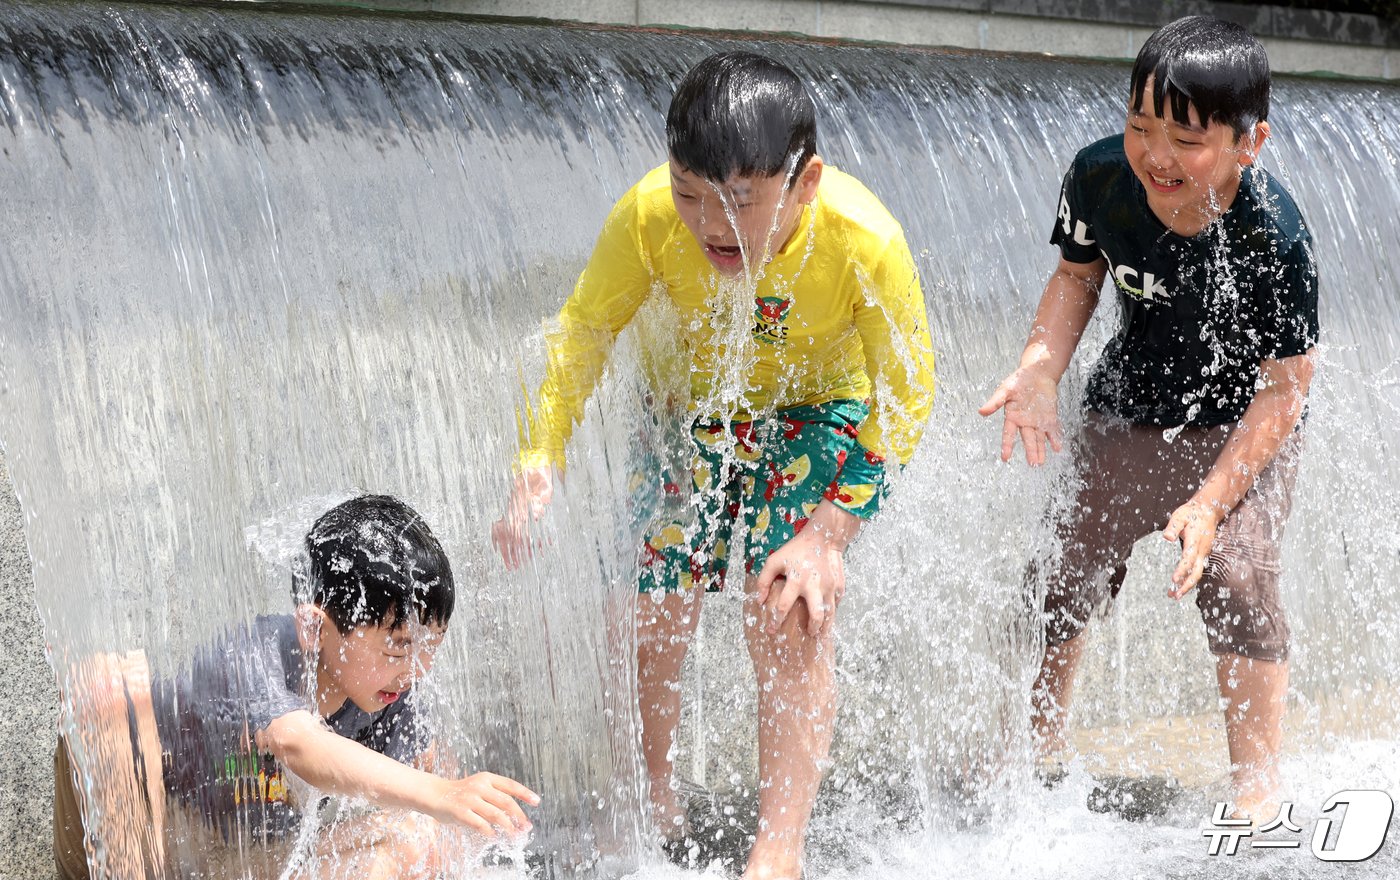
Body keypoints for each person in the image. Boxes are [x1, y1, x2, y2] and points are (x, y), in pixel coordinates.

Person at [493, 51, 935, 880]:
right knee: (649, 603)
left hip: (817, 410)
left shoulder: (863, 239)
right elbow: (584, 332)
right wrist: (537, 457)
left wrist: (828, 534)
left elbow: (908, 393)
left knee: (788, 608)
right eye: (690, 193)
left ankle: (779, 846)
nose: (709, 225)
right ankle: (650, 796)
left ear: (805, 185)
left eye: (739, 201)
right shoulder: (646, 217)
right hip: (685, 409)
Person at [979, 16, 1318, 819]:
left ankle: (1257, 784)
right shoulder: (1101, 178)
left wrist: (1209, 503)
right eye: (1140, 126)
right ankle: (1035, 746)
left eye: (1186, 139)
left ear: (1249, 143)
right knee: (1060, 569)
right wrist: (1039, 368)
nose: (1156, 156)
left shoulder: (1276, 235)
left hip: (1242, 432)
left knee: (1237, 575)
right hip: (1129, 410)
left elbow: (1284, 390)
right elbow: (1075, 279)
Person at [54, 494, 540, 879]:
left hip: (245, 857)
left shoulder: (388, 690)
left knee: (414, 838)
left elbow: (438, 783)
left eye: (430, 646)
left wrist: (472, 819)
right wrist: (440, 794)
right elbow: (296, 742)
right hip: (153, 828)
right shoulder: (250, 657)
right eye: (397, 646)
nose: (416, 670)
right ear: (313, 628)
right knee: (106, 685)